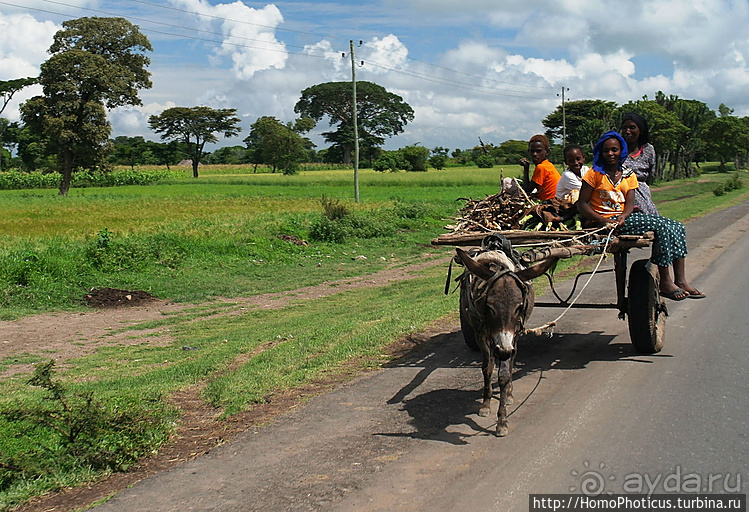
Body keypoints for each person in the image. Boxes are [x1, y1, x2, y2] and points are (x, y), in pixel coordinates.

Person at [576, 131, 706, 301]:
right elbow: (582, 204)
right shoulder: (594, 174)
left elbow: (629, 203)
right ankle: (665, 282)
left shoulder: (628, 175)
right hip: (602, 221)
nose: (610, 154)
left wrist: (623, 216)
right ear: (600, 152)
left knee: (677, 226)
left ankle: (680, 280)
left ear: (621, 151)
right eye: (606, 150)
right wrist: (602, 219)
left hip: (623, 219)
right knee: (662, 227)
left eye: (614, 150)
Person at [620, 113, 659, 215]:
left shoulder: (648, 150)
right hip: (620, 191)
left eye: (632, 128)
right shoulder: (617, 149)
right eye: (625, 128)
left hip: (642, 191)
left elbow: (651, 173)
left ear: (640, 130)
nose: (627, 131)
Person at [519, 134, 560, 201]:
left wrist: (526, 169)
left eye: (538, 151)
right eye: (532, 151)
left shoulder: (541, 167)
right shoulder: (548, 165)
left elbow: (527, 190)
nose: (535, 154)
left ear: (547, 152)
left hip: (550, 202)